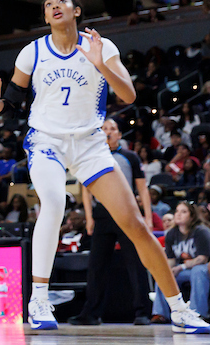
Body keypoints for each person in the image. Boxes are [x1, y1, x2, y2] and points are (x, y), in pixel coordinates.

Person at [0, 0, 210, 333]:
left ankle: (179, 308)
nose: (55, 6)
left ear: (76, 11)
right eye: (48, 3)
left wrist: (102, 63)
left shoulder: (99, 47)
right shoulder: (33, 52)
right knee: (54, 201)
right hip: (46, 142)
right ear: (46, 17)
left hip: (90, 144)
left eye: (62, 1)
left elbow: (129, 95)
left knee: (135, 224)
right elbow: (13, 109)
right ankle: (38, 298)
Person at [73, 118, 151, 326]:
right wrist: (89, 218)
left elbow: (142, 189)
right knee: (96, 265)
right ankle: (91, 313)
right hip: (102, 215)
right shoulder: (94, 157)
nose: (108, 132)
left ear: (119, 134)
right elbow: (86, 189)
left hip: (126, 212)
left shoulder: (130, 157)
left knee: (135, 263)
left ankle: (142, 312)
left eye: (113, 129)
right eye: (104, 128)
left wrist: (148, 217)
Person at [152, 202, 210, 324]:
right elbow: (171, 259)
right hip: (183, 269)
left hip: (204, 269)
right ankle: (161, 314)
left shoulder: (201, 231)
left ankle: (197, 313)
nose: (178, 215)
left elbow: (202, 259)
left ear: (192, 216)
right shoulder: (171, 234)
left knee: (198, 271)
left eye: (183, 212)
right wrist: (167, 270)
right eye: (177, 211)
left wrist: (181, 267)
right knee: (164, 274)